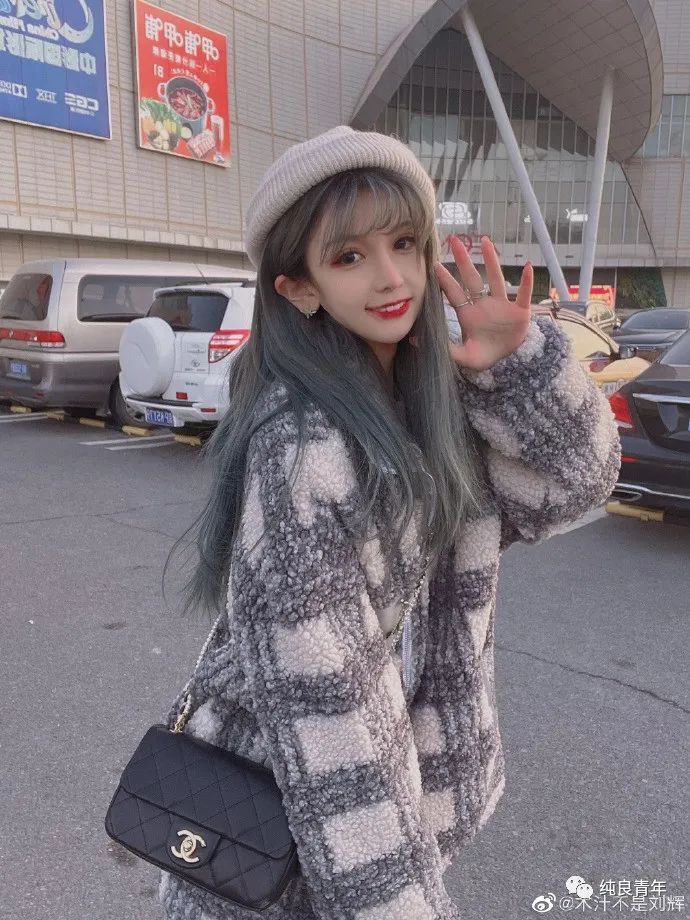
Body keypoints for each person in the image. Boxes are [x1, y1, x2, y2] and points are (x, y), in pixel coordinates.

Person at [159, 126, 621, 920]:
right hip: (292, 840)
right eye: (349, 256)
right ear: (299, 288)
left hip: (383, 813)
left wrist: (518, 365)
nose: (390, 276)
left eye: (405, 243)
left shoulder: (431, 406)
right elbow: (329, 715)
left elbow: (570, 488)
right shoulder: (302, 450)